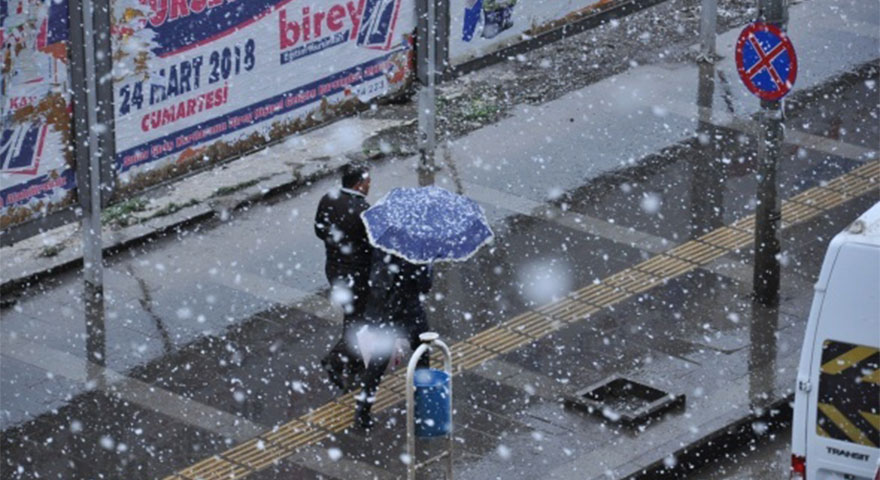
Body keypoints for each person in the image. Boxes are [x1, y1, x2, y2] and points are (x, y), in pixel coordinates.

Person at [353, 250, 433, 430]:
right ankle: (422, 407)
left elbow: (376, 275)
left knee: (378, 361)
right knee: (422, 355)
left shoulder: (383, 245)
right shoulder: (417, 251)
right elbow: (425, 285)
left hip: (386, 310)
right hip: (411, 312)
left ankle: (362, 411)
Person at [314, 162, 373, 391]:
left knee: (353, 316)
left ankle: (356, 362)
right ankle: (336, 359)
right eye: (368, 182)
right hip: (357, 275)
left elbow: (319, 231)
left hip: (335, 270)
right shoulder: (362, 211)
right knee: (361, 320)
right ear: (359, 184)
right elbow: (371, 246)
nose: (369, 186)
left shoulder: (328, 198)